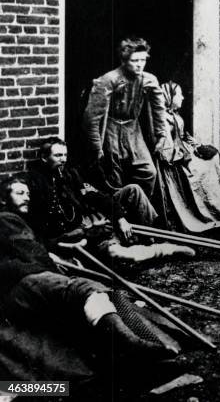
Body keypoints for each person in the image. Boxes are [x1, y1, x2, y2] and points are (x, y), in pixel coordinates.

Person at [0, 175, 177, 363]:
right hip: (22, 280)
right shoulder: (6, 218)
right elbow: (31, 250)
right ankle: (130, 341)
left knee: (91, 290)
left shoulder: (19, 219)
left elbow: (41, 246)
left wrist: (76, 238)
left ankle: (131, 338)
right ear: (3, 198)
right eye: (20, 193)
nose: (26, 197)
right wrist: (52, 261)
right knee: (84, 288)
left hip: (30, 277)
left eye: (27, 193)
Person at [26, 137, 193, 262]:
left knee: (133, 190)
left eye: (65, 155)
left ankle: (156, 238)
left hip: (87, 222)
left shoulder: (71, 173)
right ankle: (163, 250)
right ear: (44, 158)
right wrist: (85, 230)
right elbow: (47, 224)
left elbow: (94, 195)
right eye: (58, 156)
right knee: (116, 253)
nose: (63, 159)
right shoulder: (35, 183)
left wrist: (119, 216)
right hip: (73, 235)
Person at [158, 81, 220, 232]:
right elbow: (166, 150)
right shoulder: (162, 120)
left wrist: (193, 144)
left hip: (183, 154)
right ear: (169, 97)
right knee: (207, 170)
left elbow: (181, 137)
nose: (183, 98)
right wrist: (185, 154)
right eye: (179, 94)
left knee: (213, 161)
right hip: (175, 163)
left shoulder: (174, 115)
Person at [83, 37, 168, 197]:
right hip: (111, 129)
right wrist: (96, 146)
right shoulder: (108, 80)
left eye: (143, 60)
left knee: (148, 172)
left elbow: (159, 109)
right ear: (124, 60)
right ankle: (120, 215)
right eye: (134, 60)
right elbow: (91, 118)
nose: (140, 64)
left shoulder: (149, 79)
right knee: (114, 176)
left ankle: (140, 209)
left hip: (133, 129)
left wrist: (161, 135)